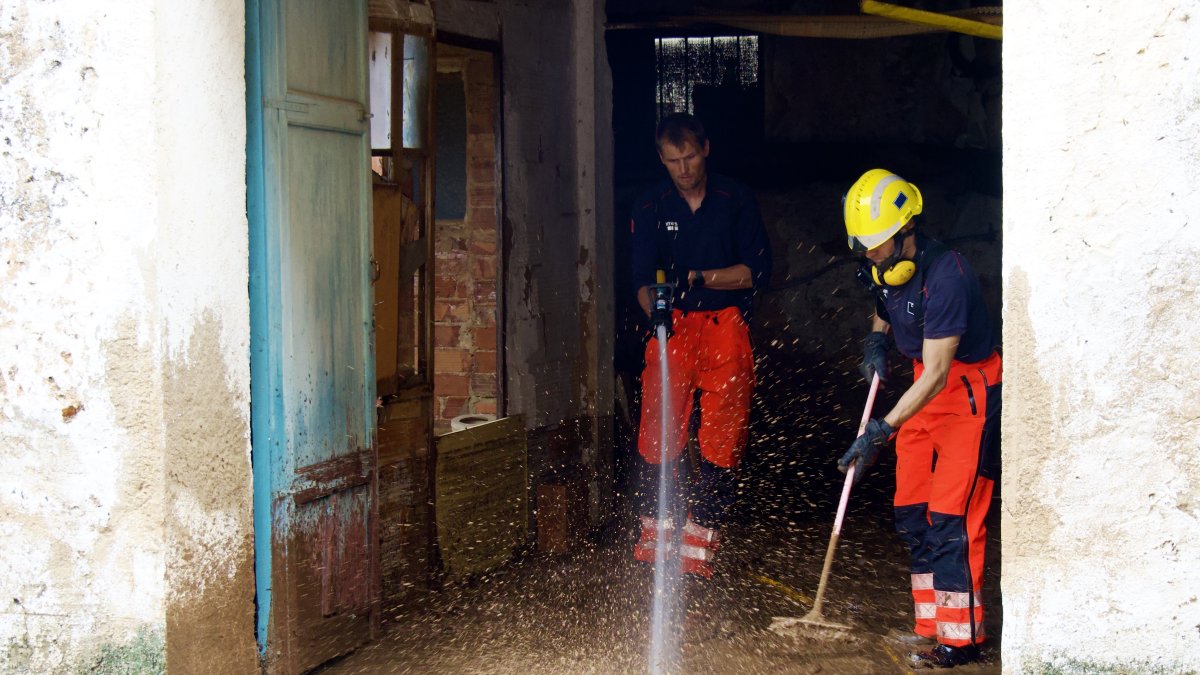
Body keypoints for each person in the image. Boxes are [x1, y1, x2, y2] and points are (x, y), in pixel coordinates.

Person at [836, 169, 1001, 667]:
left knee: (951, 517)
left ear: (907, 230)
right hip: (923, 387)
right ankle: (930, 625)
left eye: (877, 245)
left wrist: (881, 430)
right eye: (863, 245)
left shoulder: (946, 275)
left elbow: (937, 372)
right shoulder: (887, 265)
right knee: (913, 512)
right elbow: (883, 300)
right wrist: (876, 337)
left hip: (963, 390)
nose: (869, 255)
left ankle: (960, 638)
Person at [628, 113, 772, 578]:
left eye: (689, 156)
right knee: (657, 430)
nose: (683, 168)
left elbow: (756, 272)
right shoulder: (649, 206)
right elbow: (639, 283)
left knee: (721, 438)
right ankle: (656, 531)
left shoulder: (736, 199)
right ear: (661, 160)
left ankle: (701, 539)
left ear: (705, 149)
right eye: (673, 161)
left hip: (724, 323)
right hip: (672, 330)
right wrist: (658, 313)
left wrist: (699, 277)